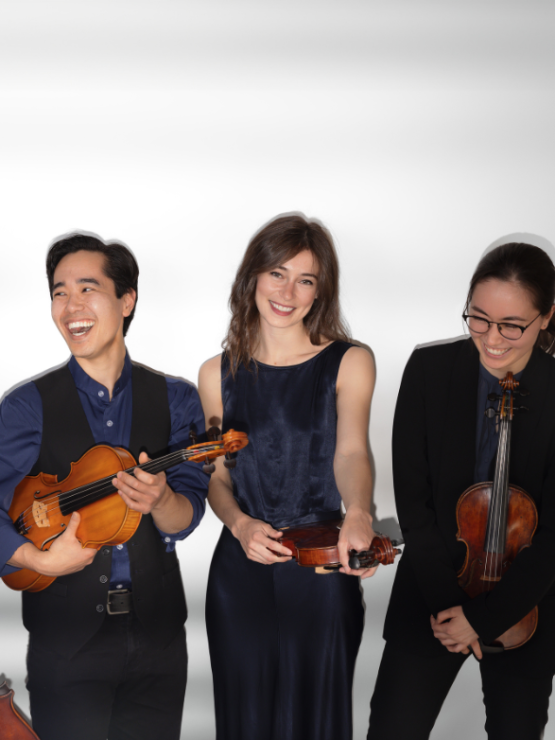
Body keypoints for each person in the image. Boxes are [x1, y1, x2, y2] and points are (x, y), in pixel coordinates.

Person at [0, 233, 208, 740]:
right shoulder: (26, 406)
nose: (71, 306)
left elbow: (187, 516)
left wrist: (163, 500)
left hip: (158, 638)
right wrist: (37, 560)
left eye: (87, 288)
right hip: (65, 644)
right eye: (58, 292)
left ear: (126, 299)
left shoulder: (177, 399)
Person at [198, 213, 377, 740]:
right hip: (240, 568)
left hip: (321, 567)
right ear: (252, 276)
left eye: (306, 280)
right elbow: (215, 476)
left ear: (320, 292)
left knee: (317, 717)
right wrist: (239, 526)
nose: (288, 291)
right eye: (277, 273)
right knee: (243, 719)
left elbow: (351, 453)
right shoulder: (216, 372)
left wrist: (361, 512)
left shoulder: (350, 361)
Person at [367, 242, 555, 740]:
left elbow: (554, 538)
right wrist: (452, 608)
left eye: (512, 325)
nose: (492, 339)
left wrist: (483, 618)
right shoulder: (430, 371)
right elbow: (415, 504)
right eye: (478, 318)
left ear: (547, 316)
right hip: (431, 596)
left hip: (527, 608)